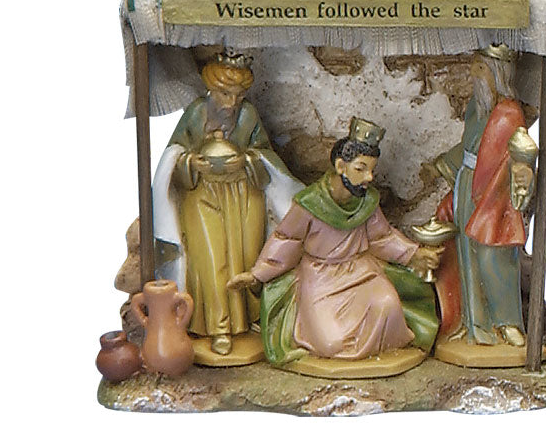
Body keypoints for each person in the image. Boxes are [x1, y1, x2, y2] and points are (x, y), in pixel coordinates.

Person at [228, 117, 441, 365]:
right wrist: (257, 274)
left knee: (388, 306)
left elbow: (382, 237)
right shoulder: (309, 204)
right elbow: (286, 240)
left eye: (371, 170)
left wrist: (414, 253)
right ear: (341, 166)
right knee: (331, 343)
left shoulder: (367, 202)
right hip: (321, 277)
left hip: (361, 272)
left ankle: (373, 352)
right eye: (361, 169)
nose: (369, 177)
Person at [151, 51, 301, 356]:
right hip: (202, 195)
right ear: (211, 88)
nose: (232, 103)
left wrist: (247, 160)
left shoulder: (248, 116)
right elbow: (173, 155)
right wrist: (192, 163)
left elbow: (264, 153)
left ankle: (247, 319)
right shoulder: (196, 113)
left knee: (245, 257)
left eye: (239, 95)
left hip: (244, 193)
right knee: (211, 258)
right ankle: (219, 327)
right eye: (225, 94)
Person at [433, 43, 538, 347]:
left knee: (495, 258)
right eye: (475, 66)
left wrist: (523, 173)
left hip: (496, 192)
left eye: (480, 68)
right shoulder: (477, 108)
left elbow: (519, 154)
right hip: (469, 184)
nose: (473, 73)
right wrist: (443, 165)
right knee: (468, 254)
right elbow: (468, 147)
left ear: (496, 73)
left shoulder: (509, 113)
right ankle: (475, 323)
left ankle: (507, 321)